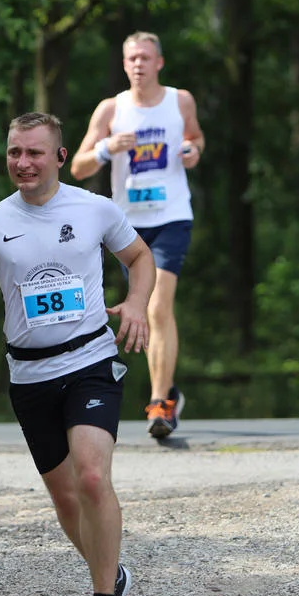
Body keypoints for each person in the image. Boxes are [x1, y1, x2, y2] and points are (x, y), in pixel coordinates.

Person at [0, 112, 155, 596]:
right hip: (30, 375)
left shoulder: (94, 210)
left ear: (60, 157)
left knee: (91, 478)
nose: (23, 162)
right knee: (66, 500)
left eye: (35, 153)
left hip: (90, 361)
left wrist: (137, 303)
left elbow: (139, 256)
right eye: (15, 152)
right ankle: (111, 571)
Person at [71, 31, 205, 440]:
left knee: (158, 306)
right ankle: (167, 393)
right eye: (132, 58)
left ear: (159, 62)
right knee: (146, 308)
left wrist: (192, 151)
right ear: (125, 63)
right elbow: (77, 167)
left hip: (171, 216)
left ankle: (160, 402)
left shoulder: (179, 101)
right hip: (127, 227)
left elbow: (195, 139)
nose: (138, 65)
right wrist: (107, 148)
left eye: (146, 58)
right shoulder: (112, 109)